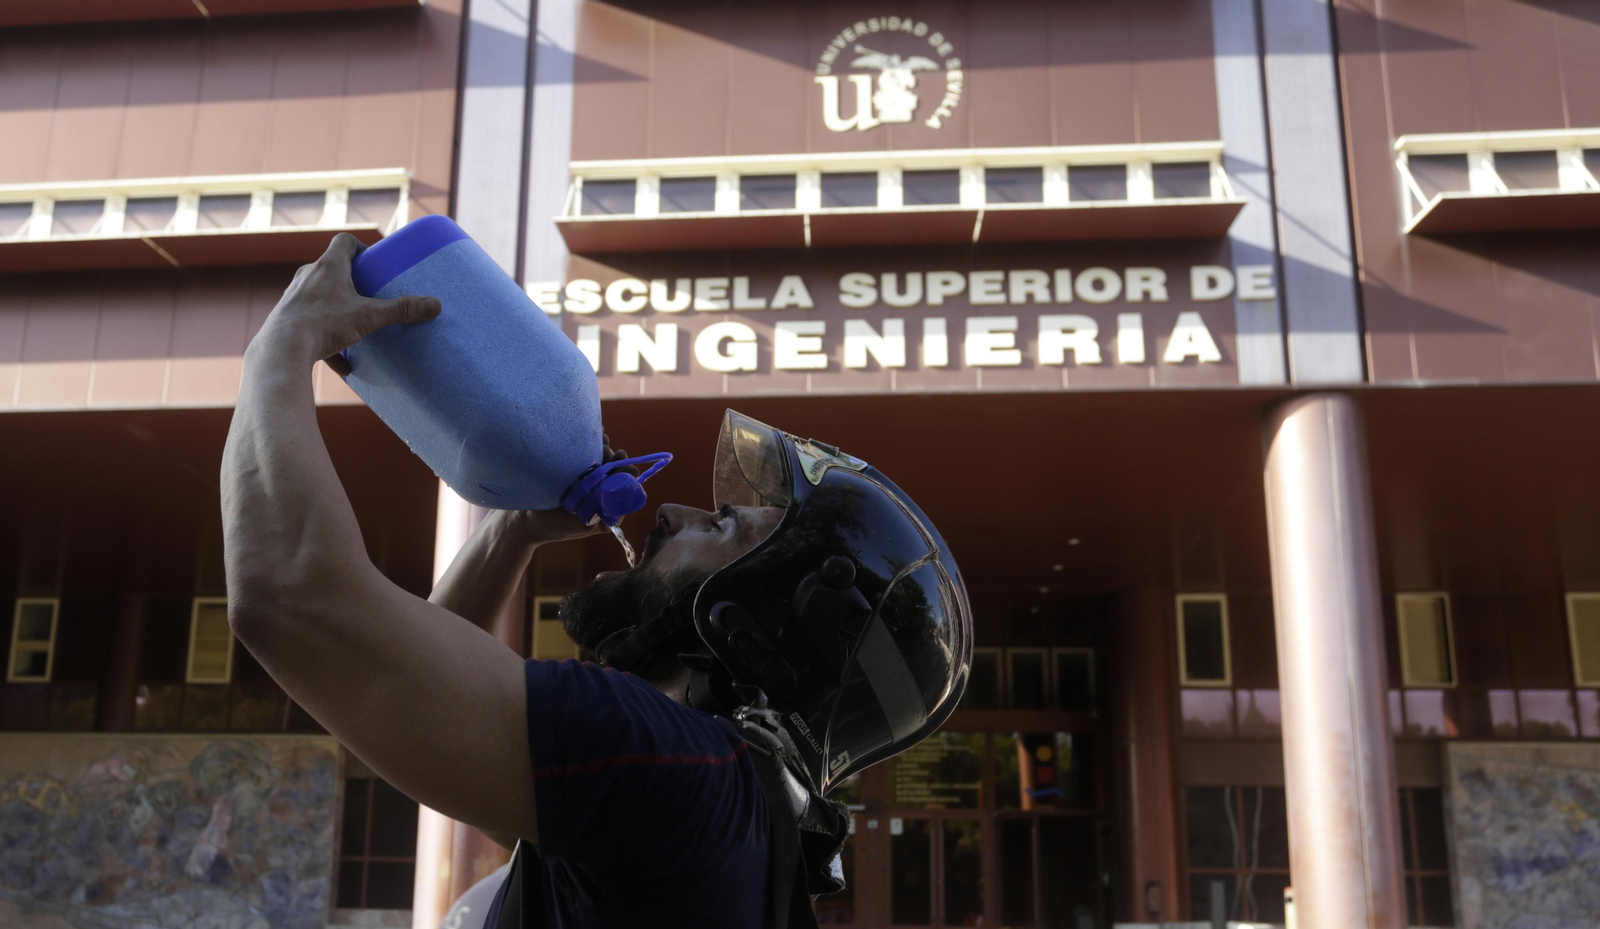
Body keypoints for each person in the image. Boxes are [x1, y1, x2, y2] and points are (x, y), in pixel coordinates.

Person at [220, 235, 972, 928]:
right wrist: (514, 529)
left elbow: (290, 595)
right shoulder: (726, 802)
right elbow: (407, 694)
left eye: (722, 527)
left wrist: (281, 347)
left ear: (755, 619)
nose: (670, 513)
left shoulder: (660, 762)